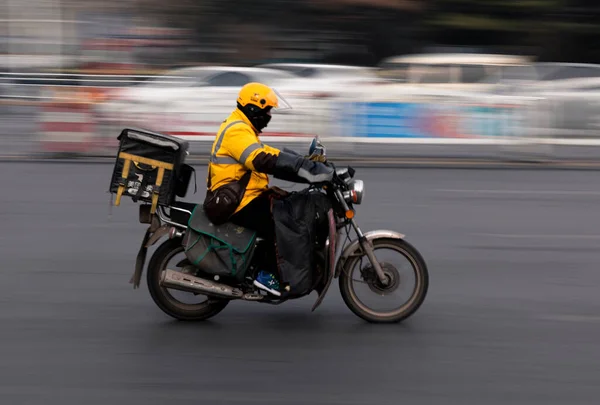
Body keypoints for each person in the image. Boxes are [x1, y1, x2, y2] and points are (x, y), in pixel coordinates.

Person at [205, 82, 334, 296]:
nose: (269, 116)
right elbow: (260, 159)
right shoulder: (237, 130)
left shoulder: (244, 128)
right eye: (267, 111)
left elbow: (269, 152)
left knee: (289, 207)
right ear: (254, 108)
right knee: (285, 221)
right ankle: (267, 276)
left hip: (245, 195)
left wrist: (303, 162)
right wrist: (301, 167)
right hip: (234, 201)